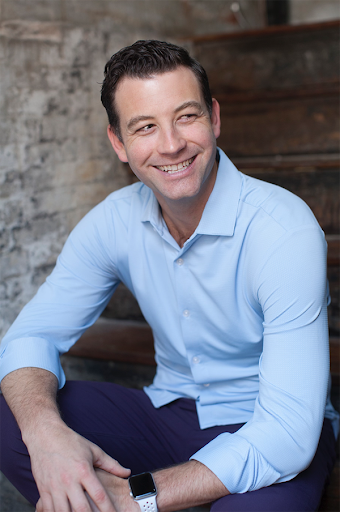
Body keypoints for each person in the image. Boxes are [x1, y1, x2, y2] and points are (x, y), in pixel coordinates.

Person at [0, 40, 338, 512]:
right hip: (168, 412)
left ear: (214, 118)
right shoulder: (112, 222)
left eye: (186, 116)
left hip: (266, 419)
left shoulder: (284, 230)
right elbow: (30, 336)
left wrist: (136, 497)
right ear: (118, 143)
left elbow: (288, 431)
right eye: (145, 127)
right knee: (15, 418)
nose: (171, 144)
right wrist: (46, 435)